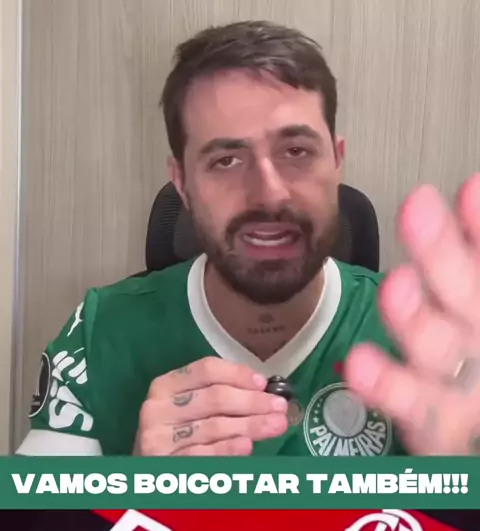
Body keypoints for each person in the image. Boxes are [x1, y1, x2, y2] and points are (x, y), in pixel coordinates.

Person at [17, 20, 480, 458]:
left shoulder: (431, 342)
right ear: (182, 184)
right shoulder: (98, 335)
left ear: (337, 161)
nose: (270, 193)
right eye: (227, 160)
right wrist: (139, 492)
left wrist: (461, 469)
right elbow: (33, 517)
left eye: (296, 151)